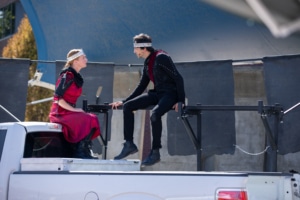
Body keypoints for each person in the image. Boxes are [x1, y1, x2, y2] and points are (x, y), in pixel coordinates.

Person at [110, 33, 185, 166]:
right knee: (128, 107)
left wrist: (181, 101)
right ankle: (129, 144)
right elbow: (141, 86)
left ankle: (155, 152)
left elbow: (178, 78)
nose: (134, 51)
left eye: (136, 48)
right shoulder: (148, 62)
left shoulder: (162, 57)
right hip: (157, 93)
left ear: (143, 48)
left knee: (155, 114)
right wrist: (124, 101)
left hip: (170, 94)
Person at [49, 49, 101, 159]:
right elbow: (58, 99)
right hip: (60, 113)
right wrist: (76, 110)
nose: (86, 60)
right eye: (83, 58)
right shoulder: (67, 76)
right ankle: (80, 152)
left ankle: (83, 150)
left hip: (68, 112)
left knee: (92, 118)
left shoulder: (75, 76)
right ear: (75, 61)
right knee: (89, 119)